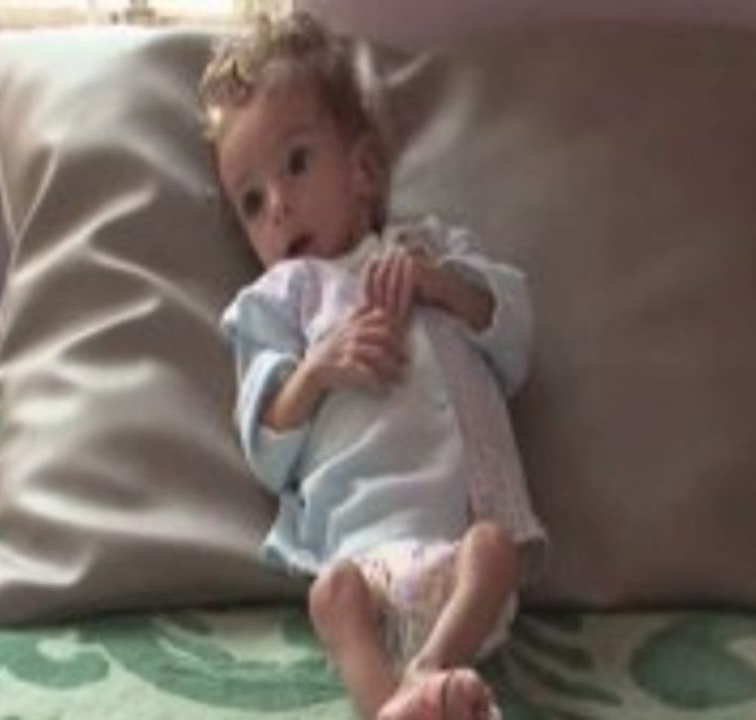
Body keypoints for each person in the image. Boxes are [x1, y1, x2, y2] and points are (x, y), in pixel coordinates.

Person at [201, 12, 547, 720]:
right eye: (252, 201)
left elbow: (514, 340)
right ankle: (390, 700)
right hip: (365, 564)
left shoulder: (428, 250)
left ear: (362, 171)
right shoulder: (280, 298)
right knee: (330, 598)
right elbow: (265, 442)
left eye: (297, 164)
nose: (279, 206)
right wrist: (317, 370)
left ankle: (427, 668)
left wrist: (438, 285)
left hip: (463, 556)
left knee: (499, 548)